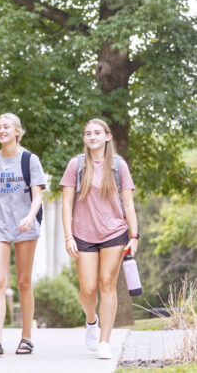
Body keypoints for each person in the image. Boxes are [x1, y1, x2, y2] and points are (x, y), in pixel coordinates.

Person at [60, 118, 139, 360]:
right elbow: (66, 202)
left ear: (107, 136)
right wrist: (68, 237)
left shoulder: (118, 165)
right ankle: (91, 321)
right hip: (83, 234)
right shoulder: (76, 165)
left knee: (107, 284)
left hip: (114, 233)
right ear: (84, 139)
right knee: (88, 289)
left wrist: (134, 235)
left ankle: (105, 341)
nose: (92, 136)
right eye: (88, 133)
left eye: (97, 132)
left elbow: (128, 202)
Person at [0, 113, 45, 355]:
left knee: (24, 282)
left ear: (17, 131)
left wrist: (30, 215)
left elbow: (38, 196)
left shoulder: (30, 160)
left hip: (25, 226)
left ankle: (26, 337)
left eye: (6, 126)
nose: (1, 130)